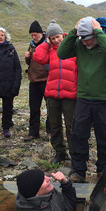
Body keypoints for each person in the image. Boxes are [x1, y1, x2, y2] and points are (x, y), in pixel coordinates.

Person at [57, 16, 106, 182]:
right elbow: (61, 53)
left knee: (105, 136)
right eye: (83, 39)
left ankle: (103, 170)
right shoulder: (80, 44)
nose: (85, 43)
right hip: (84, 98)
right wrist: (74, 32)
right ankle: (78, 171)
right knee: (78, 134)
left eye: (88, 39)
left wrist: (99, 34)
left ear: (97, 32)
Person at [33, 20, 77, 164]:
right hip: (52, 93)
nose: (56, 40)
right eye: (53, 38)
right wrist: (46, 43)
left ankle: (75, 154)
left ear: (62, 35)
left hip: (70, 94)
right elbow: (38, 57)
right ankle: (60, 153)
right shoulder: (49, 49)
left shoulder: (72, 46)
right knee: (54, 125)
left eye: (58, 37)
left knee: (71, 126)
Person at [12, 169, 76, 211]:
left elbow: (68, 206)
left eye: (44, 176)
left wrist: (65, 183)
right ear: (36, 193)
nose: (48, 178)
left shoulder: (49, 197)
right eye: (43, 180)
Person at [24, 20, 49, 141]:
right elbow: (30, 63)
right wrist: (27, 58)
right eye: (32, 35)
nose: (33, 37)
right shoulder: (31, 45)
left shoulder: (47, 44)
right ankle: (33, 132)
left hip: (47, 80)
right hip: (34, 81)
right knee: (34, 108)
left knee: (51, 107)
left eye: (35, 35)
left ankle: (51, 131)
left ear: (41, 33)